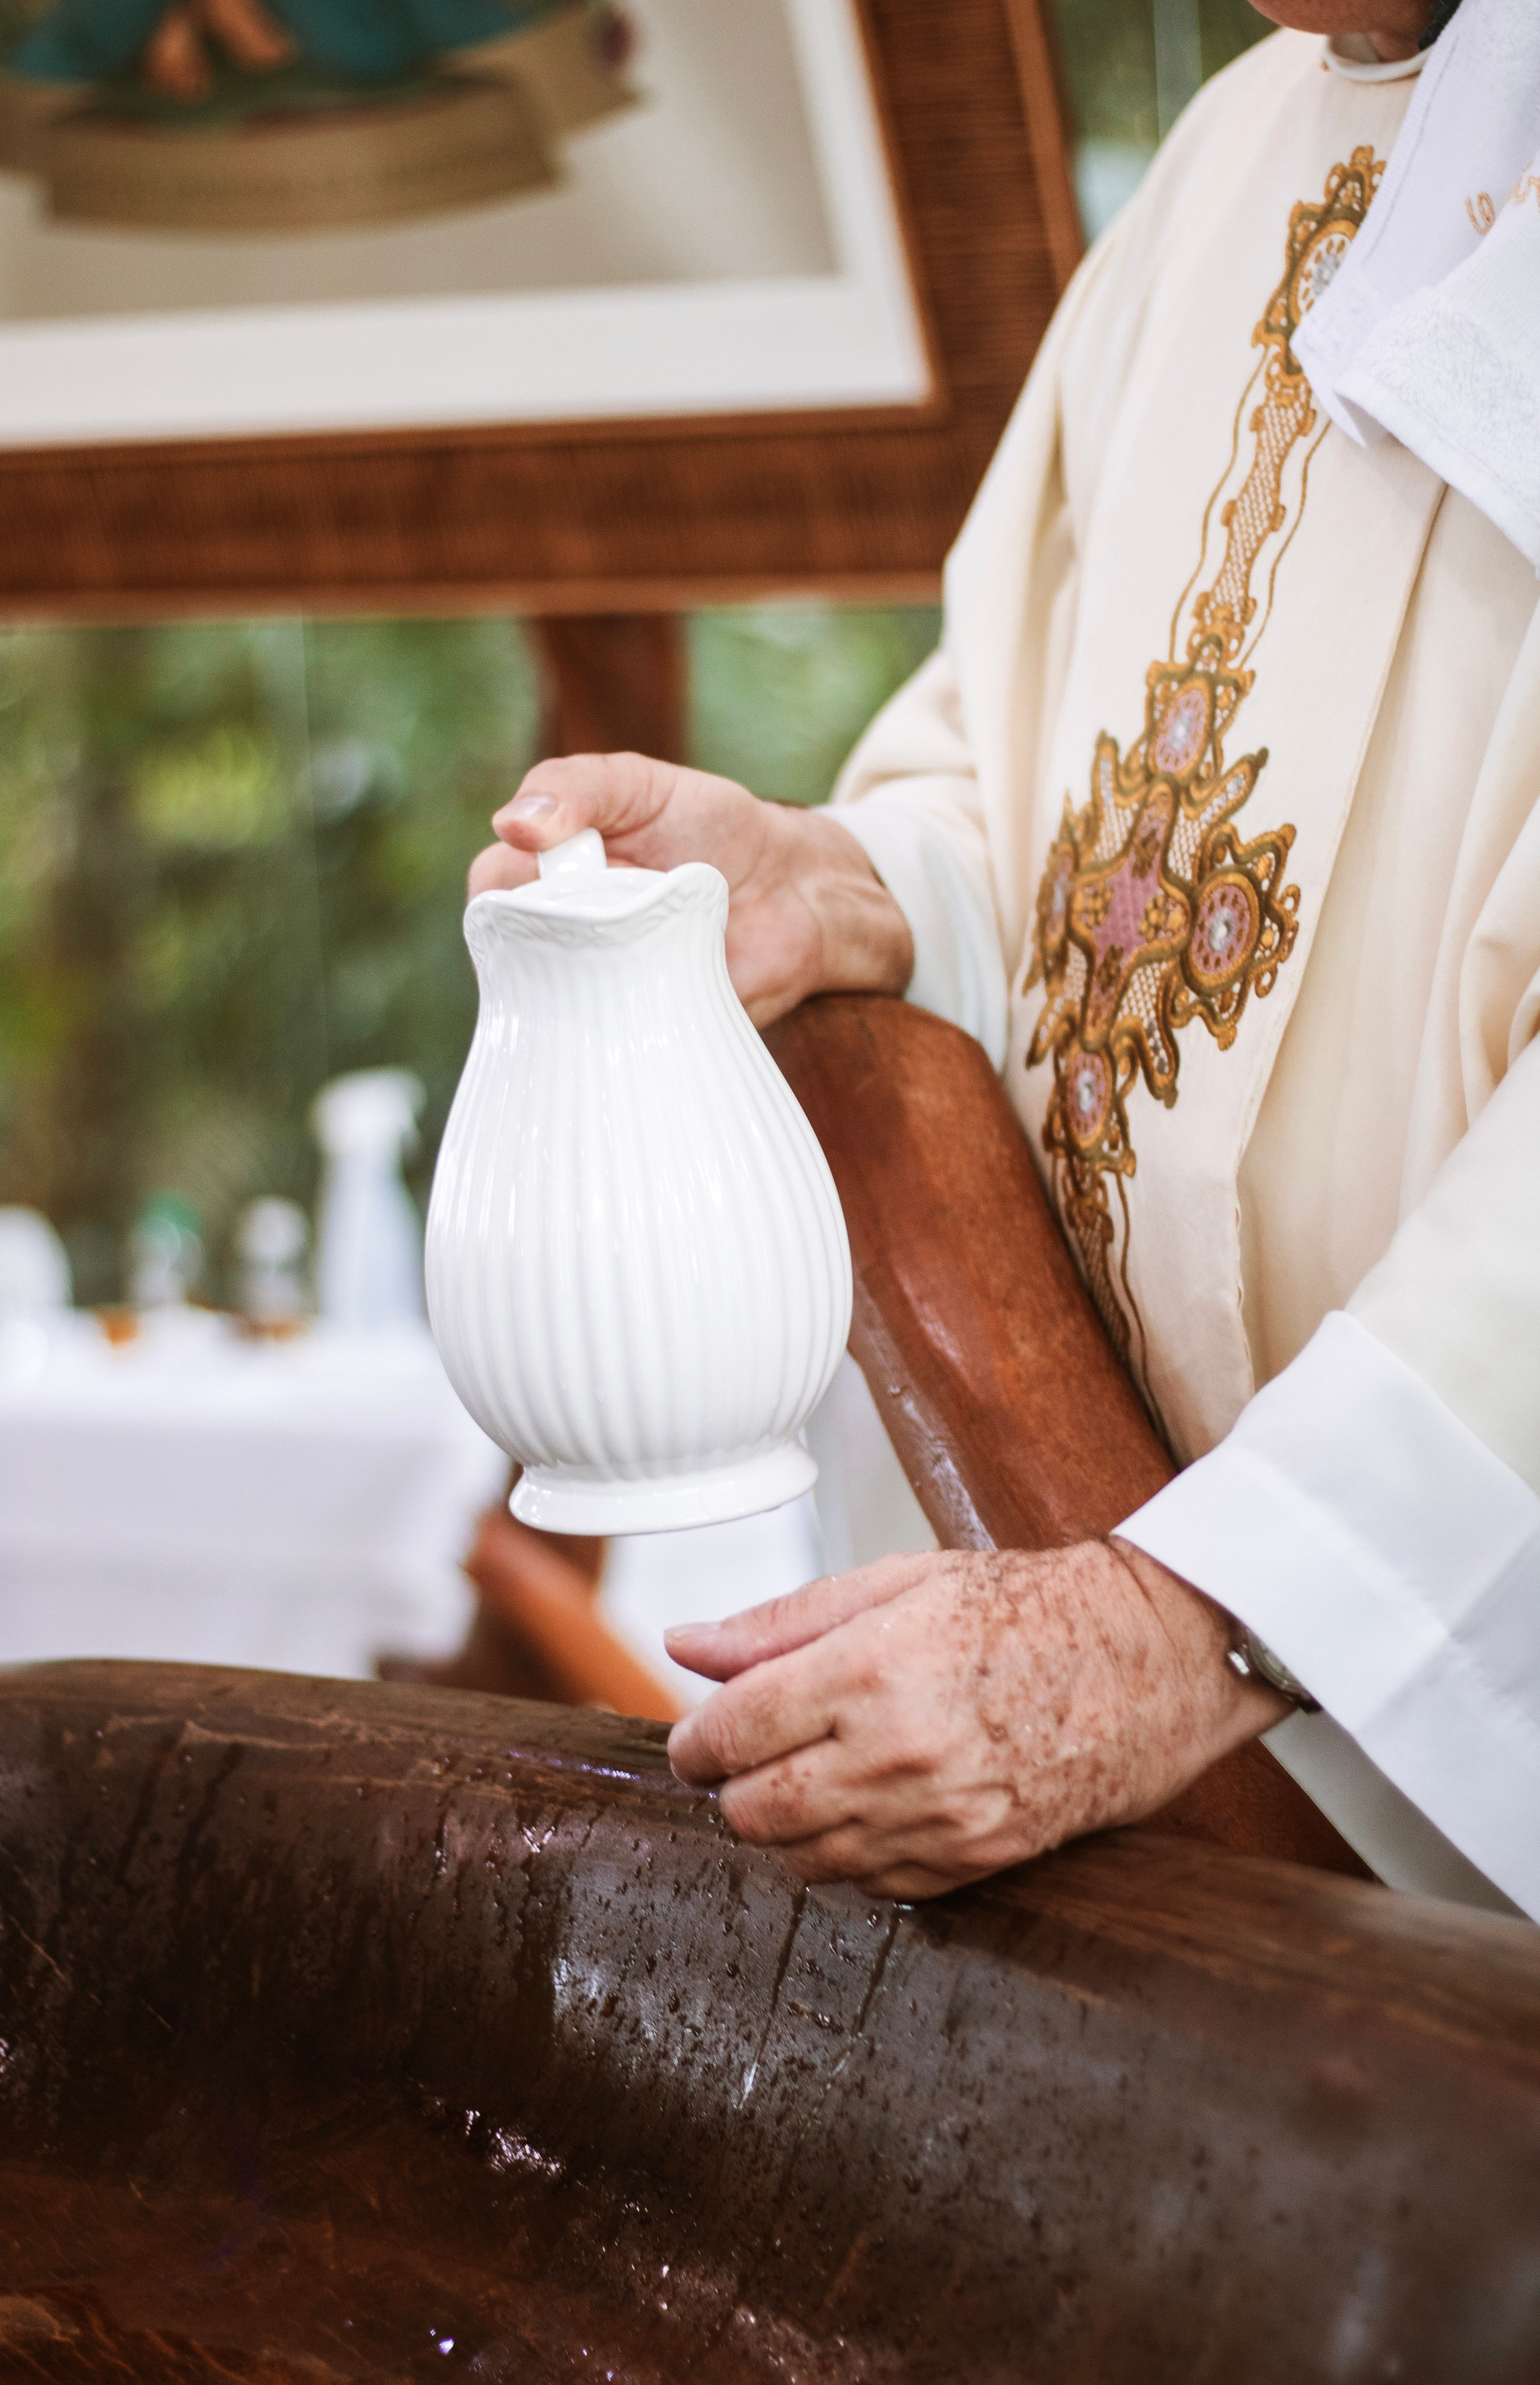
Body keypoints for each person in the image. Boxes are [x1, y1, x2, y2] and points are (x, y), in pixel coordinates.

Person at [470, 0, 1540, 1922]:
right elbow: (1039, 766)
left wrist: (1189, 1626)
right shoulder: (1239, 152)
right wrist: (849, 884)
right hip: (1116, 1650)